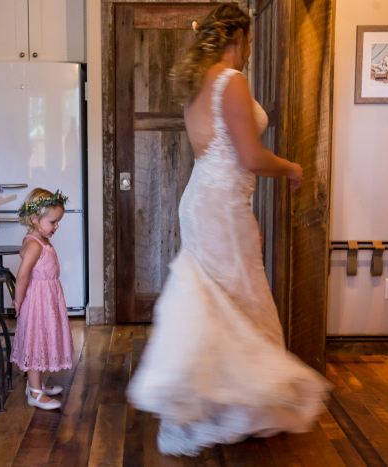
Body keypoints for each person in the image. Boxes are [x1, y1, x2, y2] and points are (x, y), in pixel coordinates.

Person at [127, 4, 332, 456]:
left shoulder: (198, 84)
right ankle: (238, 404)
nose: (250, 53)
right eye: (250, 43)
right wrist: (292, 167)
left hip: (205, 200)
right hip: (220, 205)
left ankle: (221, 401)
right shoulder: (230, 81)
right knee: (237, 295)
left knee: (222, 296)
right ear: (236, 36)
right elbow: (251, 157)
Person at [11, 188, 74, 410]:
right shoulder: (34, 244)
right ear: (35, 218)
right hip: (36, 303)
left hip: (47, 301)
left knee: (45, 339)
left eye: (58, 222)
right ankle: (35, 393)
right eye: (53, 222)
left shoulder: (42, 239)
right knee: (35, 342)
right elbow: (22, 275)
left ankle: (35, 384)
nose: (56, 227)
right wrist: (18, 301)